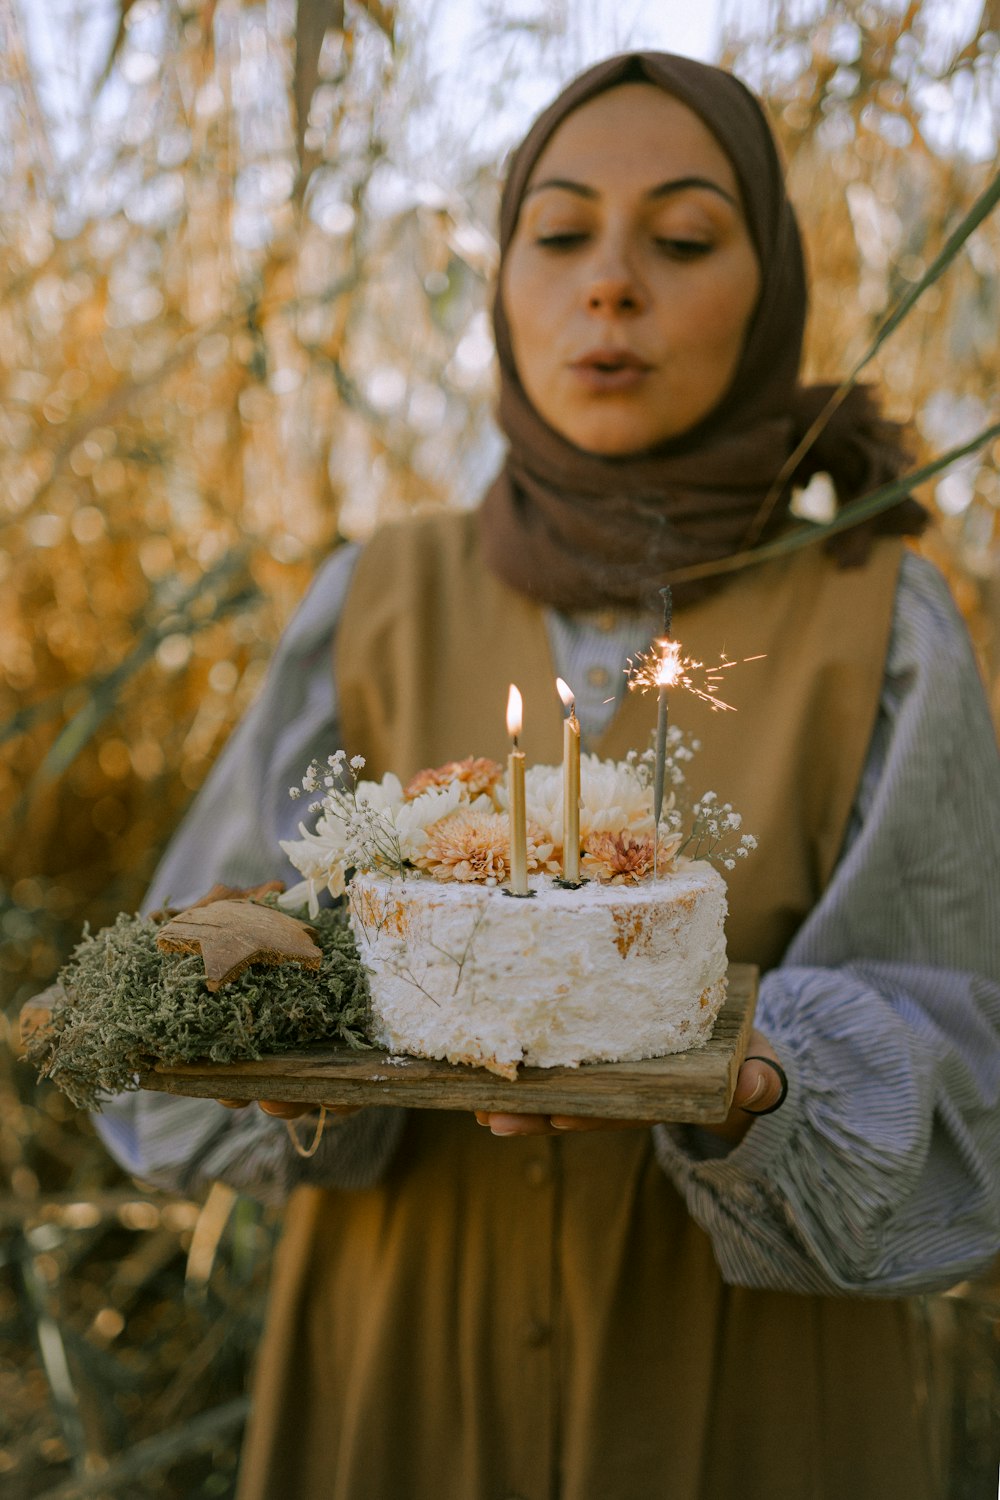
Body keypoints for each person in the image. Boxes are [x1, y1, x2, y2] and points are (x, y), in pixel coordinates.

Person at [93, 52, 1000, 1500]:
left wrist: (762, 1080)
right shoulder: (373, 599)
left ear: (768, 287)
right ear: (502, 281)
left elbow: (975, 1070)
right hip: (398, 1371)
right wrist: (281, 1026)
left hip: (744, 1399)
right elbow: (195, 996)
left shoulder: (874, 621)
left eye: (685, 239)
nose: (614, 286)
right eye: (562, 233)